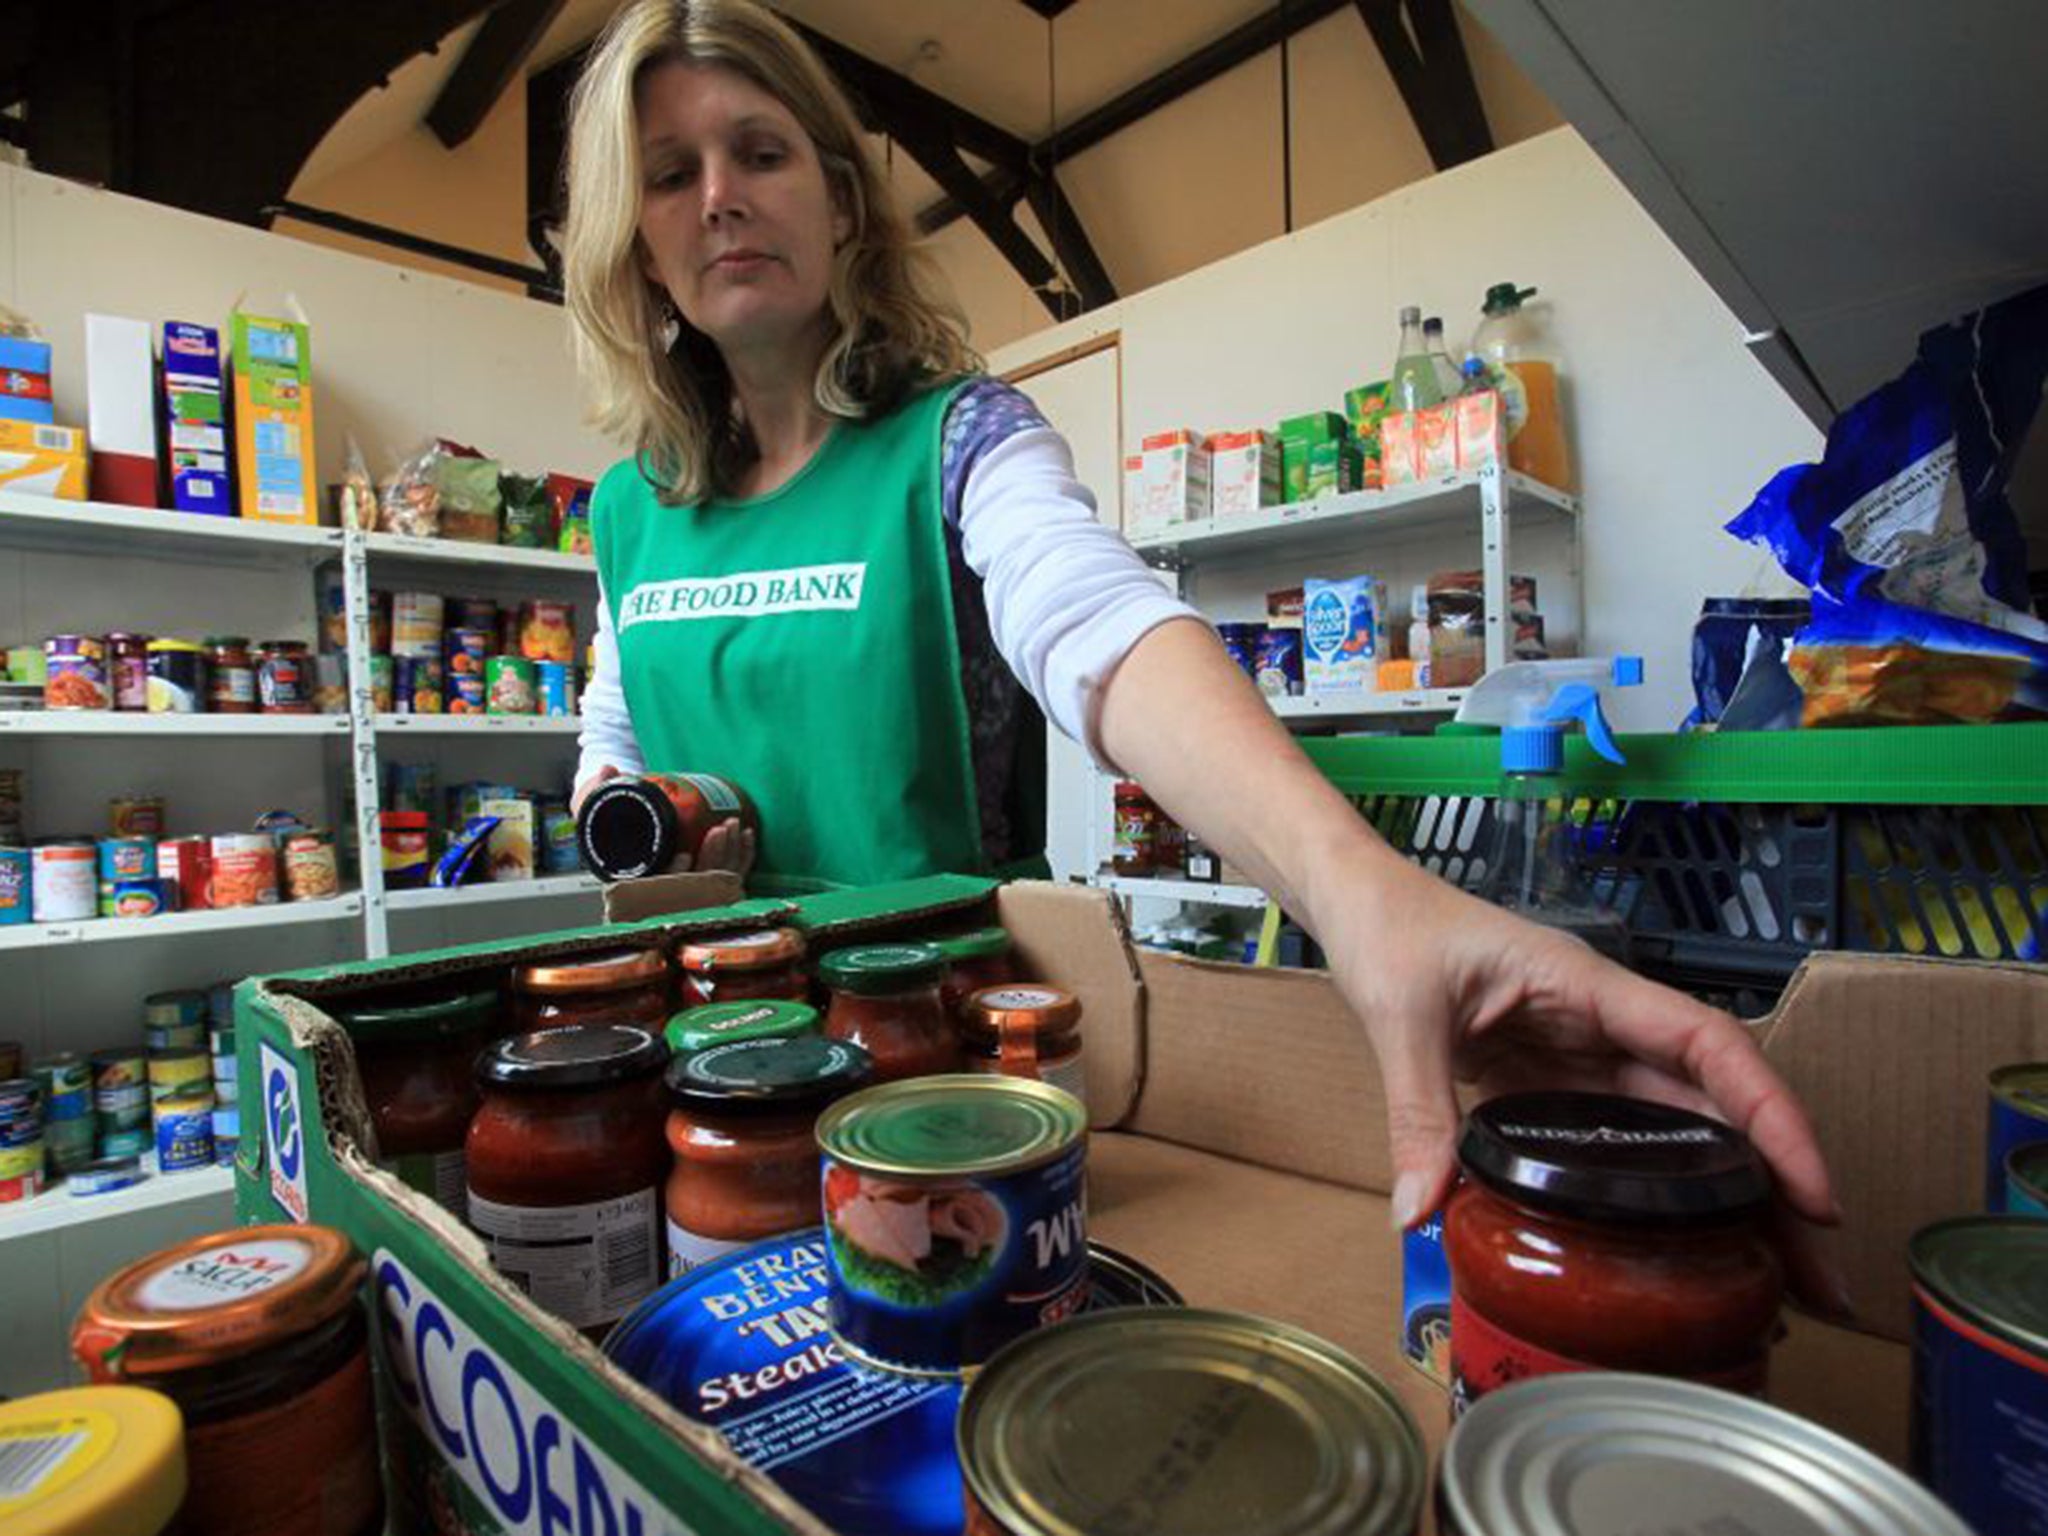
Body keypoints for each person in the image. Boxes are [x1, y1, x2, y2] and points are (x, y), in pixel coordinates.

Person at [561, 0, 1843, 1302]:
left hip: (933, 1089)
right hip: (711, 1077)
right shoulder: (628, 512)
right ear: (640, 251)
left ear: (840, 202)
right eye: (671, 174)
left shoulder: (957, 444)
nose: (720, 196)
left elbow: (1099, 628)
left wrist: (1361, 897)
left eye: (760, 152)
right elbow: (611, 735)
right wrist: (633, 818)